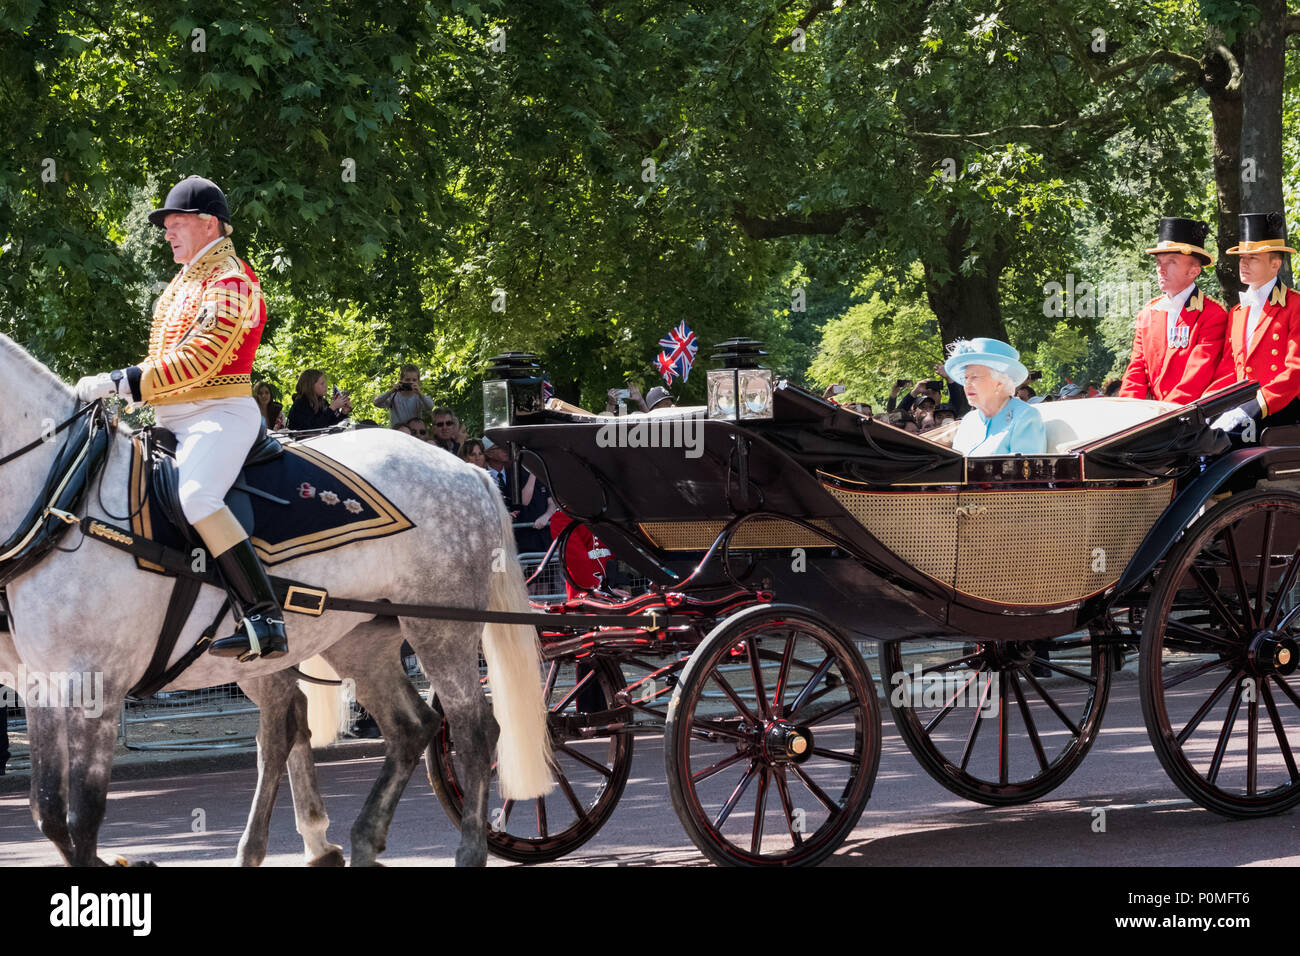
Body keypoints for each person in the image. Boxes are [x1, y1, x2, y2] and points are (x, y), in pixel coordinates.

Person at [74, 175, 286, 661]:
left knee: (197, 496)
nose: (167, 233)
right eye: (166, 225)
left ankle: (263, 615)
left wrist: (120, 381)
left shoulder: (231, 281)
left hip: (219, 413)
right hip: (173, 417)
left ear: (209, 224)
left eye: (176, 223)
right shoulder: (185, 283)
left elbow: (202, 356)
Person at [1119, 217, 1228, 404]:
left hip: (1191, 418)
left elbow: (1196, 378)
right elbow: (1136, 371)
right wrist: (1128, 413)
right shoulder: (1147, 313)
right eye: (1159, 262)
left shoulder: (1213, 314)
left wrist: (1164, 415)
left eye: (1171, 262)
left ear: (1194, 271)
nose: (1161, 269)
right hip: (1155, 419)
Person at [1208, 212, 1300, 430]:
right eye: (1242, 258)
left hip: (1282, 415)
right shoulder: (1238, 312)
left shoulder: (1295, 306)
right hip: (1241, 413)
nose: (1244, 264)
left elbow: (1296, 370)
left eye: (1253, 258)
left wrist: (1253, 407)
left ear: (1275, 264)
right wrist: (1205, 406)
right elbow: (1229, 371)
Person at [944, 338, 1046, 456]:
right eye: (966, 378)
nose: (966, 385)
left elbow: (1025, 471)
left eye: (974, 377)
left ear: (999, 383)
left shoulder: (1025, 416)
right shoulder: (969, 420)